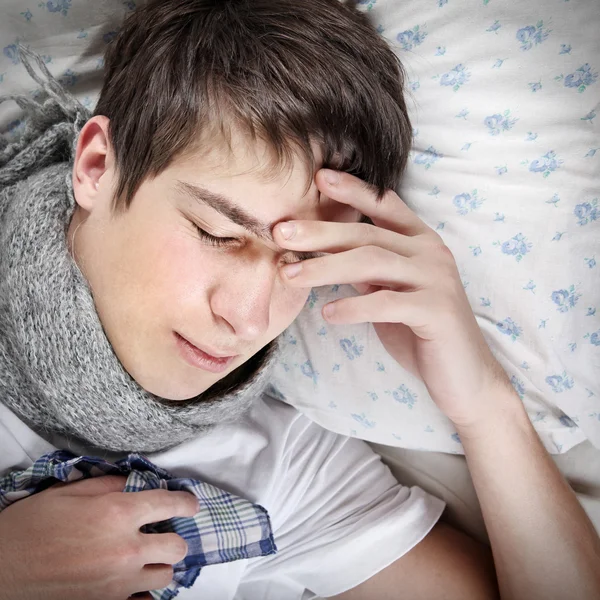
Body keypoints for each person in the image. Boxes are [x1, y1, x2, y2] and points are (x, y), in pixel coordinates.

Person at [0, 1, 598, 599]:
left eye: (302, 262)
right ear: (97, 166)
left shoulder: (287, 470)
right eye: (218, 234)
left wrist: (488, 407)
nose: (250, 318)